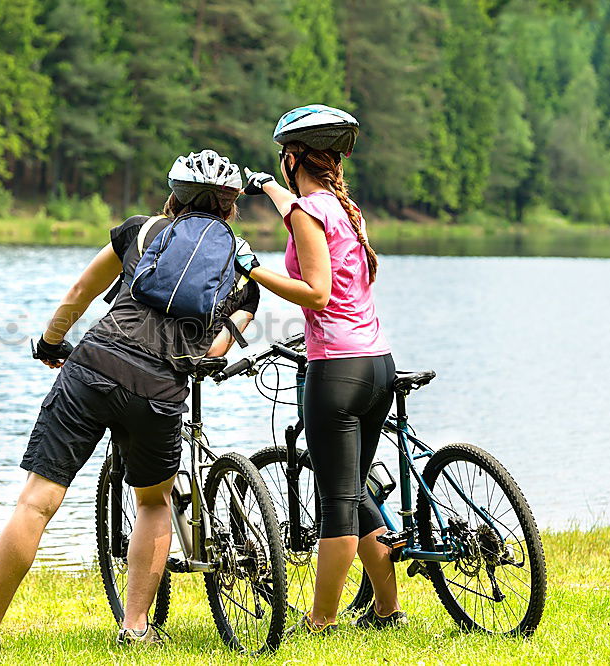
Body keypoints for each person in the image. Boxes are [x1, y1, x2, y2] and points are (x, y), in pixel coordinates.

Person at [0, 149, 261, 656]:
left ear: (174, 196)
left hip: (95, 366)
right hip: (161, 390)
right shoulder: (244, 269)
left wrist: (52, 343)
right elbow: (215, 349)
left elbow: (80, 291)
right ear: (232, 208)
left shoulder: (141, 231)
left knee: (37, 500)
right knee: (152, 502)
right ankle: (137, 626)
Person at [236, 105, 405, 632]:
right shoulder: (338, 207)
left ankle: (321, 620)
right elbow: (298, 211)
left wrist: (253, 268)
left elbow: (317, 292)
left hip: (336, 373)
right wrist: (266, 186)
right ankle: (386, 611)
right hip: (378, 366)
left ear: (293, 158)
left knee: (337, 504)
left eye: (281, 163)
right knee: (354, 493)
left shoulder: (309, 213)